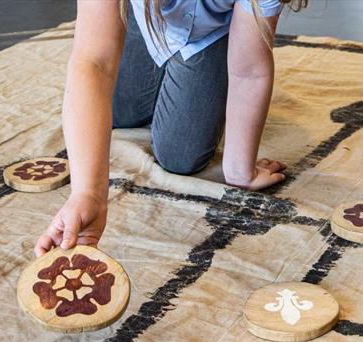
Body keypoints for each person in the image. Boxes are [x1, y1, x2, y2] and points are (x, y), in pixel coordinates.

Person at [35, 0, 305, 256]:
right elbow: (95, 63)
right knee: (119, 113)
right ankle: (145, 42)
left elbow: (249, 71)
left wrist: (240, 171)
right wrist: (89, 193)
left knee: (180, 154)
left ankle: (192, 62)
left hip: (209, 34)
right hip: (147, 16)